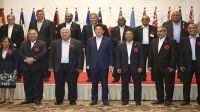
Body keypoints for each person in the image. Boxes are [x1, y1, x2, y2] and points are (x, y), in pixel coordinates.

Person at [48, 27, 84, 105]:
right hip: (58, 66)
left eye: (66, 32)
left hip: (72, 67)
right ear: (60, 34)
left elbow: (80, 56)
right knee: (59, 84)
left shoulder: (77, 43)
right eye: (62, 33)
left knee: (72, 84)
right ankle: (59, 100)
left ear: (69, 33)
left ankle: (72, 100)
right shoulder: (55, 43)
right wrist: (50, 66)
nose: (64, 34)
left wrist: (80, 67)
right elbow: (51, 55)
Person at [148, 26, 177, 106]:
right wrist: (149, 65)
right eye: (158, 31)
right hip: (156, 67)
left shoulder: (171, 41)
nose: (159, 33)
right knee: (158, 84)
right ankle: (160, 99)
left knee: (169, 84)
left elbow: (174, 55)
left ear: (165, 32)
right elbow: (150, 54)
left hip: (168, 67)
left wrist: (172, 66)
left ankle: (168, 100)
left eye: (161, 31)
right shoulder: (154, 41)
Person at [18, 29, 47, 105]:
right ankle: (29, 99)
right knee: (27, 84)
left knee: (38, 84)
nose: (32, 35)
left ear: (37, 35)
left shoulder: (42, 43)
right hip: (26, 67)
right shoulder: (23, 43)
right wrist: (25, 59)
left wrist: (33, 59)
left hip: (37, 67)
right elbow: (20, 53)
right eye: (30, 34)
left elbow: (44, 53)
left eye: (33, 34)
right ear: (28, 35)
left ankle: (38, 99)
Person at [86, 24, 113, 106]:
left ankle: (105, 99)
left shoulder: (108, 40)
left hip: (104, 65)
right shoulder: (90, 40)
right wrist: (88, 64)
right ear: (94, 31)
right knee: (94, 83)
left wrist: (111, 64)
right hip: (93, 65)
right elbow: (88, 53)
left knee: (104, 83)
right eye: (96, 29)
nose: (98, 31)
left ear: (103, 31)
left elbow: (110, 53)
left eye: (100, 29)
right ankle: (94, 99)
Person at [116, 29, 144, 105]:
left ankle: (138, 100)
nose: (128, 35)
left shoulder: (138, 45)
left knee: (137, 85)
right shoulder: (120, 45)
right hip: (124, 68)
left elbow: (142, 57)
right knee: (124, 85)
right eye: (127, 34)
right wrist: (118, 67)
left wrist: (141, 67)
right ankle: (125, 100)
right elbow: (117, 57)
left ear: (133, 36)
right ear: (124, 36)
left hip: (136, 68)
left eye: (130, 34)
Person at [29, 9, 56, 81]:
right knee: (36, 60)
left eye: (41, 14)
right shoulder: (32, 23)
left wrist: (51, 45)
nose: (39, 15)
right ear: (36, 15)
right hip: (35, 45)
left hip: (46, 46)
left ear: (44, 15)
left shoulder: (50, 23)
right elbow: (29, 34)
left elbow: (52, 35)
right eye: (38, 14)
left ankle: (46, 76)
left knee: (46, 61)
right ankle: (37, 75)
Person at [82, 12, 109, 82]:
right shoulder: (85, 27)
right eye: (91, 18)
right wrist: (83, 47)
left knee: (100, 62)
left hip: (101, 48)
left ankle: (100, 78)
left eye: (94, 18)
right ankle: (90, 77)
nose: (93, 19)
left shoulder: (103, 26)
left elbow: (107, 37)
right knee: (89, 62)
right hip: (89, 48)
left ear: (97, 18)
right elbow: (83, 38)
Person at [162, 11, 188, 78]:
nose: (175, 16)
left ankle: (181, 76)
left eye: (177, 15)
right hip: (169, 46)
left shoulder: (186, 24)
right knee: (170, 61)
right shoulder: (165, 24)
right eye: (174, 15)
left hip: (182, 45)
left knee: (182, 61)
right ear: (171, 16)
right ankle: (169, 76)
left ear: (180, 16)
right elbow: (162, 34)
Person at [179, 23, 200, 105]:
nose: (192, 30)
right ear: (187, 30)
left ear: (197, 29)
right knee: (186, 82)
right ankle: (186, 100)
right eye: (190, 28)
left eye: (194, 28)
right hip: (187, 64)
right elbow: (181, 53)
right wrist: (181, 65)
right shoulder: (184, 39)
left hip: (199, 64)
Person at [134, 16, 157, 81]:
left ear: (149, 20)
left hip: (151, 47)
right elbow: (135, 39)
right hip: (141, 47)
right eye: (143, 19)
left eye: (146, 19)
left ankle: (154, 77)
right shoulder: (136, 29)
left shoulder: (154, 28)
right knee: (142, 62)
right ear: (141, 20)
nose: (145, 20)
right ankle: (142, 76)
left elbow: (156, 38)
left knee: (153, 62)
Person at [110, 16, 132, 82]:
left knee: (127, 62)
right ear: (117, 22)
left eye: (122, 20)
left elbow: (131, 36)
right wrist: (118, 42)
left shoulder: (130, 28)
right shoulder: (113, 29)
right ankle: (116, 77)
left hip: (127, 47)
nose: (121, 21)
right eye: (119, 20)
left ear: (125, 21)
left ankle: (128, 78)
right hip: (116, 48)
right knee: (117, 62)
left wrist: (124, 42)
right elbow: (111, 37)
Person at [0, 37, 17, 104]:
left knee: (11, 85)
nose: (4, 43)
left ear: (9, 42)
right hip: (1, 69)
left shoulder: (14, 50)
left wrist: (15, 69)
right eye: (3, 41)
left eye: (6, 41)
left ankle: (11, 99)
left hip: (10, 69)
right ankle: (2, 98)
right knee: (2, 85)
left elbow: (16, 61)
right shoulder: (0, 50)